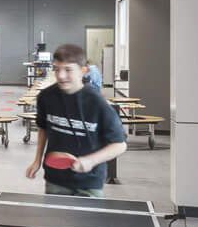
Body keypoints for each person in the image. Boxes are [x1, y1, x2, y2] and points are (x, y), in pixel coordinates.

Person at [26, 43, 129, 198]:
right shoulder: (46, 97)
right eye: (56, 69)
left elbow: (119, 145)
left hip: (89, 182)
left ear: (83, 71)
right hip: (55, 179)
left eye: (68, 70)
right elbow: (43, 128)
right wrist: (37, 160)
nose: (60, 75)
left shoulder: (97, 103)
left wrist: (90, 161)